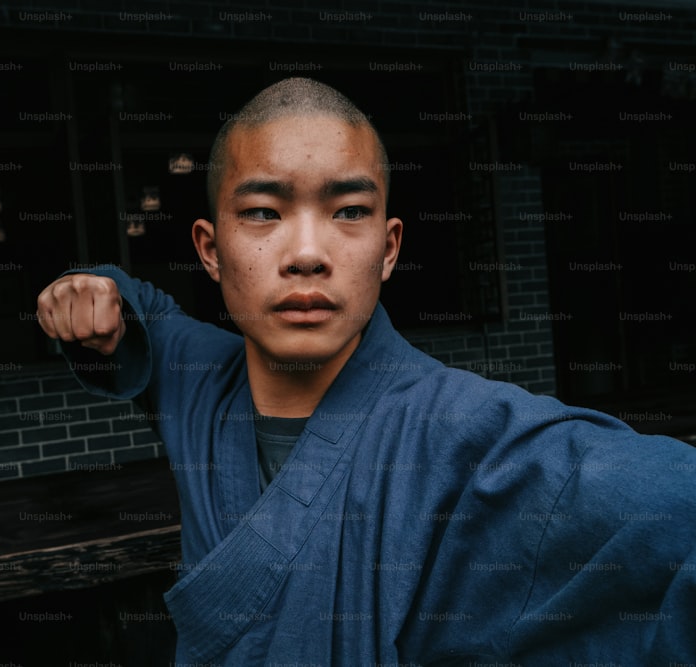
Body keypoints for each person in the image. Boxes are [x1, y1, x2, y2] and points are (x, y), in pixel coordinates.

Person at [36, 78, 696, 665]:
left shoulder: (466, 429)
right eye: (263, 211)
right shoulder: (195, 376)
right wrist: (89, 291)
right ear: (211, 250)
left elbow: (659, 505)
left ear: (389, 247)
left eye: (349, 211)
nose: (305, 253)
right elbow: (142, 306)